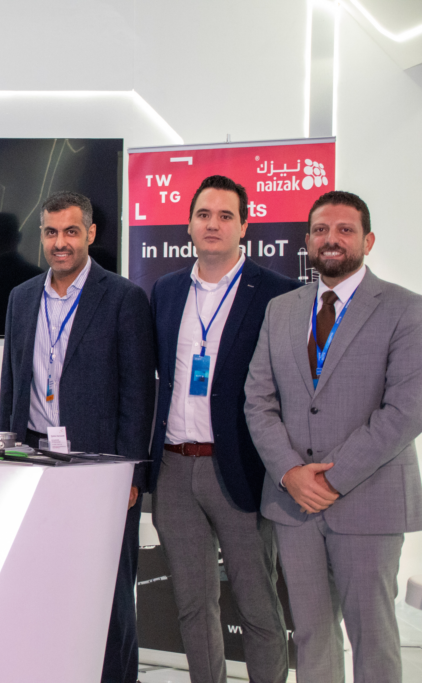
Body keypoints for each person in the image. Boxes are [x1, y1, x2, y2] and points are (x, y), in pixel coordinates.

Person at [245, 190, 422, 683]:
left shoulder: (406, 309)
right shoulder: (281, 310)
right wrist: (290, 473)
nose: (332, 239)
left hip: (368, 502)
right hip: (294, 505)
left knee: (373, 638)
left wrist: (329, 479)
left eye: (345, 229)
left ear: (367, 240)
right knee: (311, 638)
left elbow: (406, 410)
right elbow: (258, 400)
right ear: (307, 241)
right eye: (321, 230)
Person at [0, 191, 154, 683]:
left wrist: (132, 473)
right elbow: (12, 382)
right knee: (41, 579)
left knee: (108, 590)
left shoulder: (123, 297)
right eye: (51, 232)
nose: (60, 242)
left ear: (90, 233)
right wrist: (6, 454)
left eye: (70, 231)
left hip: (100, 466)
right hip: (34, 459)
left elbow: (138, 393)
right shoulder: (22, 297)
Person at [148, 176, 297, 683]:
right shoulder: (167, 290)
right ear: (189, 224)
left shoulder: (277, 293)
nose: (213, 224)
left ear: (244, 226)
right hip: (174, 467)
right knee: (193, 605)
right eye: (204, 214)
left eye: (226, 216)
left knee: (258, 606)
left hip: (240, 468)